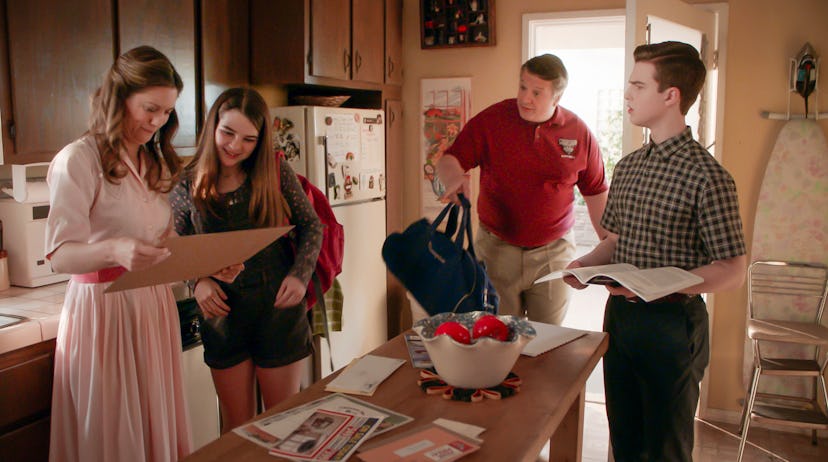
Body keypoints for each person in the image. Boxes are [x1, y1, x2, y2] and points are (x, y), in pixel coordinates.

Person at [565, 41, 747, 461]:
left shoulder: (708, 176)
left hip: (672, 326)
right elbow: (614, 240)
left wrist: (668, 283)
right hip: (621, 319)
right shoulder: (628, 165)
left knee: (666, 449)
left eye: (638, 86)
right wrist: (584, 265)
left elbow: (732, 270)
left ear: (671, 96)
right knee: (625, 442)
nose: (627, 95)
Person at [46, 46, 193, 461]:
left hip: (152, 305)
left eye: (166, 112)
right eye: (150, 108)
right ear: (119, 97)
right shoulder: (78, 159)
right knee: (115, 433)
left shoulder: (154, 161)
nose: (158, 121)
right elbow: (59, 255)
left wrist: (208, 264)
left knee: (151, 425)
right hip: (104, 311)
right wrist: (114, 249)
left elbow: (162, 243)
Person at [169, 87, 323, 433]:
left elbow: (313, 226)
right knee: (238, 430)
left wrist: (300, 275)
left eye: (248, 139)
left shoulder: (275, 172)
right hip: (222, 313)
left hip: (278, 309)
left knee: (283, 425)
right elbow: (173, 248)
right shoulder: (186, 183)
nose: (235, 146)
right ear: (212, 127)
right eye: (227, 132)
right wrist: (198, 282)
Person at [437, 53, 609, 325]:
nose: (525, 98)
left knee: (546, 339)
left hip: (554, 253)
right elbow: (449, 160)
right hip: (496, 250)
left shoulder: (579, 133)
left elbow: (596, 191)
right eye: (523, 87)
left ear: (557, 98)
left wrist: (609, 245)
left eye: (537, 92)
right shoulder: (493, 120)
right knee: (497, 337)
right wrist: (453, 178)